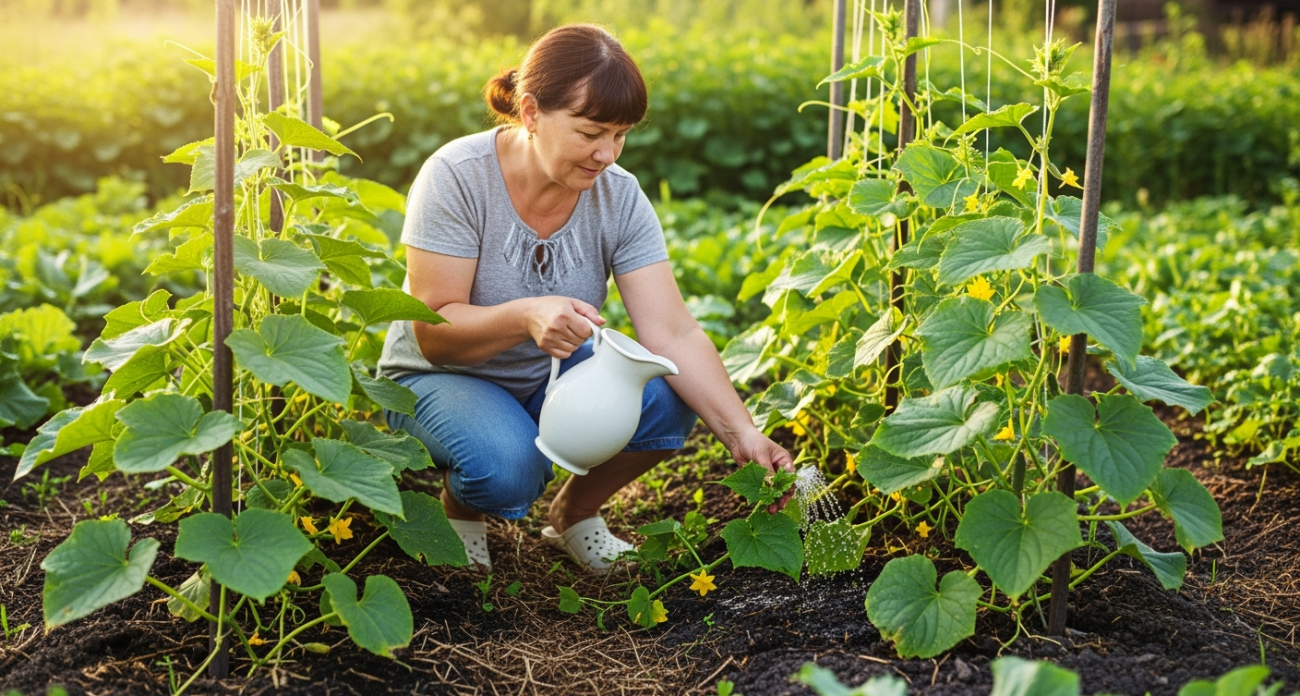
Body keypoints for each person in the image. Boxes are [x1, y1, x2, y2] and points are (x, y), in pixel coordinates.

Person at [378, 23, 793, 573]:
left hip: (544, 372)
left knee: (666, 396)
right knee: (507, 466)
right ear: (530, 113)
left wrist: (744, 434)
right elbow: (434, 335)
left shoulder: (619, 196)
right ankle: (460, 507)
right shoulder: (456, 176)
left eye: (620, 135)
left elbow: (673, 331)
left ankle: (574, 513)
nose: (606, 154)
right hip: (439, 377)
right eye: (591, 131)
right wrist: (527, 314)